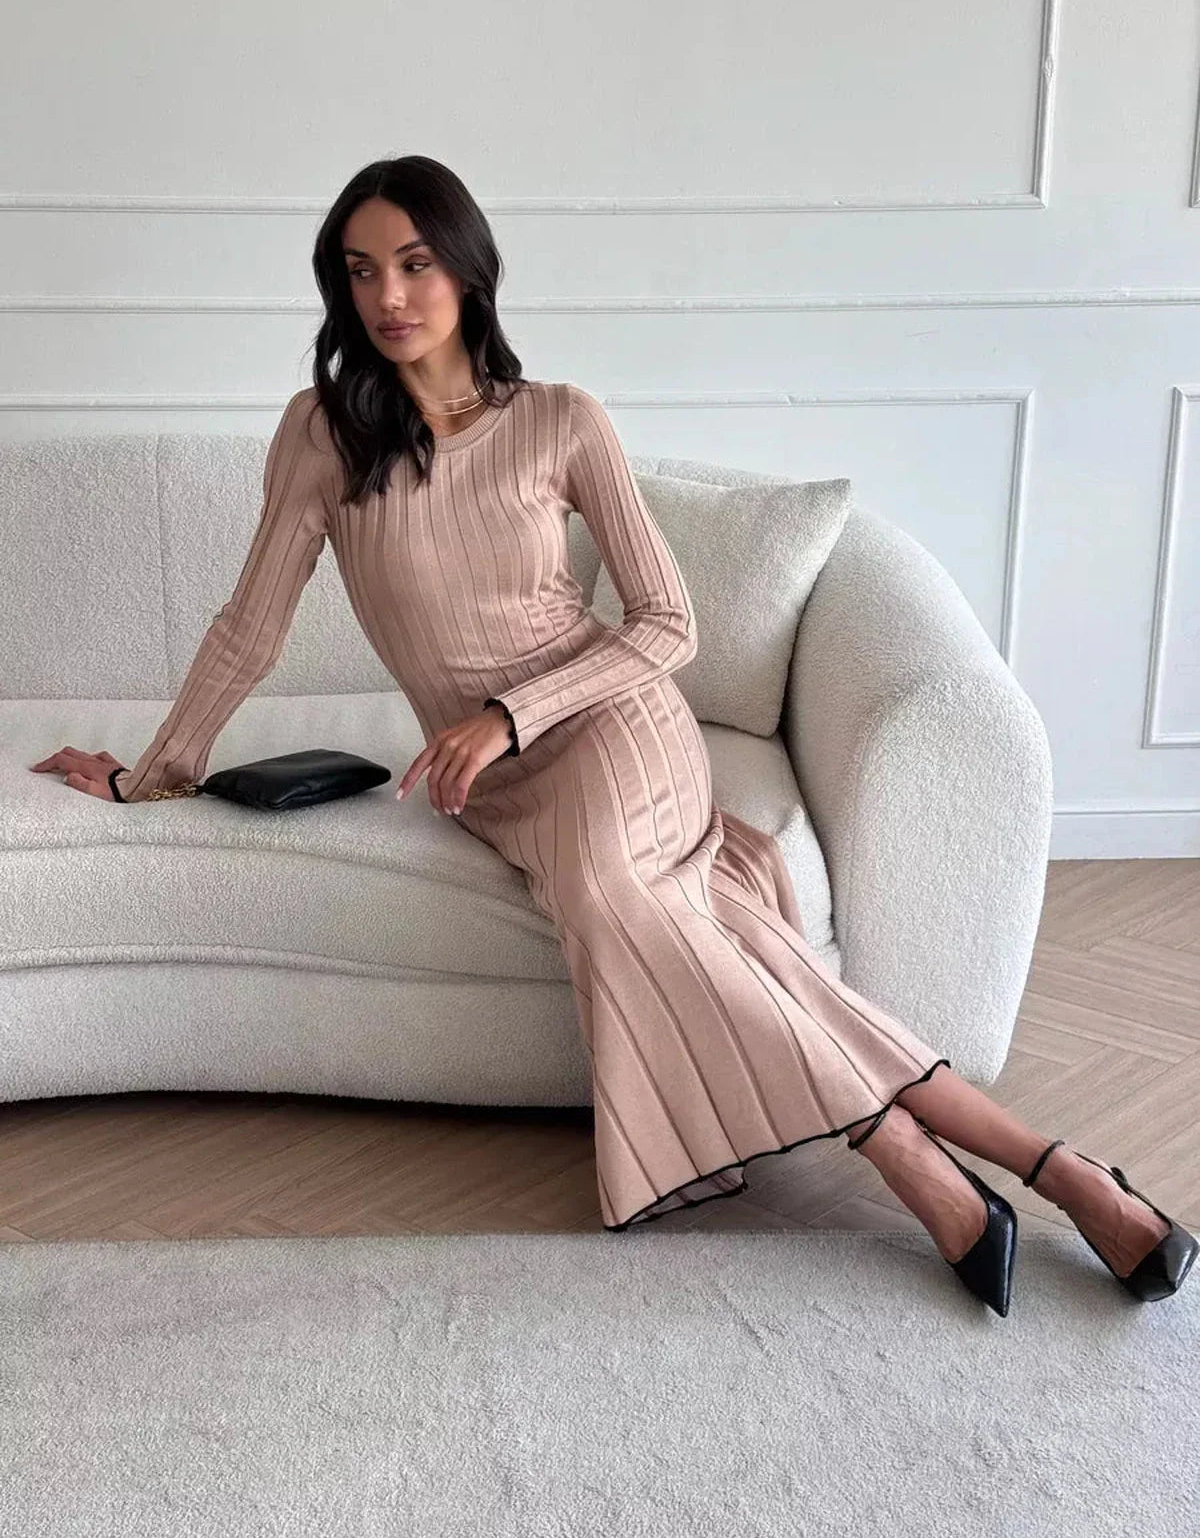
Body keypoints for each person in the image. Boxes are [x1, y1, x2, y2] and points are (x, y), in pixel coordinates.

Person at [30, 155, 1196, 1317]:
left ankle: (914, 1165)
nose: (389, 295)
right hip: (494, 782)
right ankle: (1059, 1170)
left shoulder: (559, 421)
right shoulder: (326, 436)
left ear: (471, 271)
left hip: (611, 720)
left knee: (607, 896)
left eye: (417, 263)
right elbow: (251, 624)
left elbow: (668, 623)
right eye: (362, 270)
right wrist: (154, 773)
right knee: (697, 924)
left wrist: (507, 713)